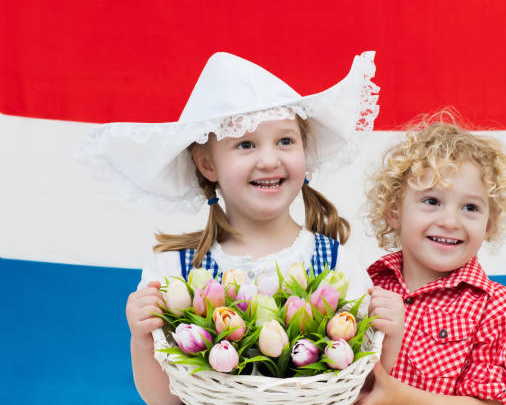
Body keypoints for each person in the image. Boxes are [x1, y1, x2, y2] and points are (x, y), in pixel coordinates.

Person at [79, 51, 379, 404]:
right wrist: (142, 339)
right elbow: (165, 399)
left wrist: (388, 333)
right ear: (207, 164)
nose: (269, 160)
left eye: (286, 140)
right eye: (245, 144)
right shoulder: (175, 271)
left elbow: (360, 390)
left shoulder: (337, 264)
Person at [358, 116, 506, 405]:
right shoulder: (369, 285)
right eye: (432, 201)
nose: (450, 221)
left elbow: (489, 403)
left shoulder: (495, 307)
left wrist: (397, 397)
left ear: (489, 224)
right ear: (394, 211)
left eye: (470, 207)